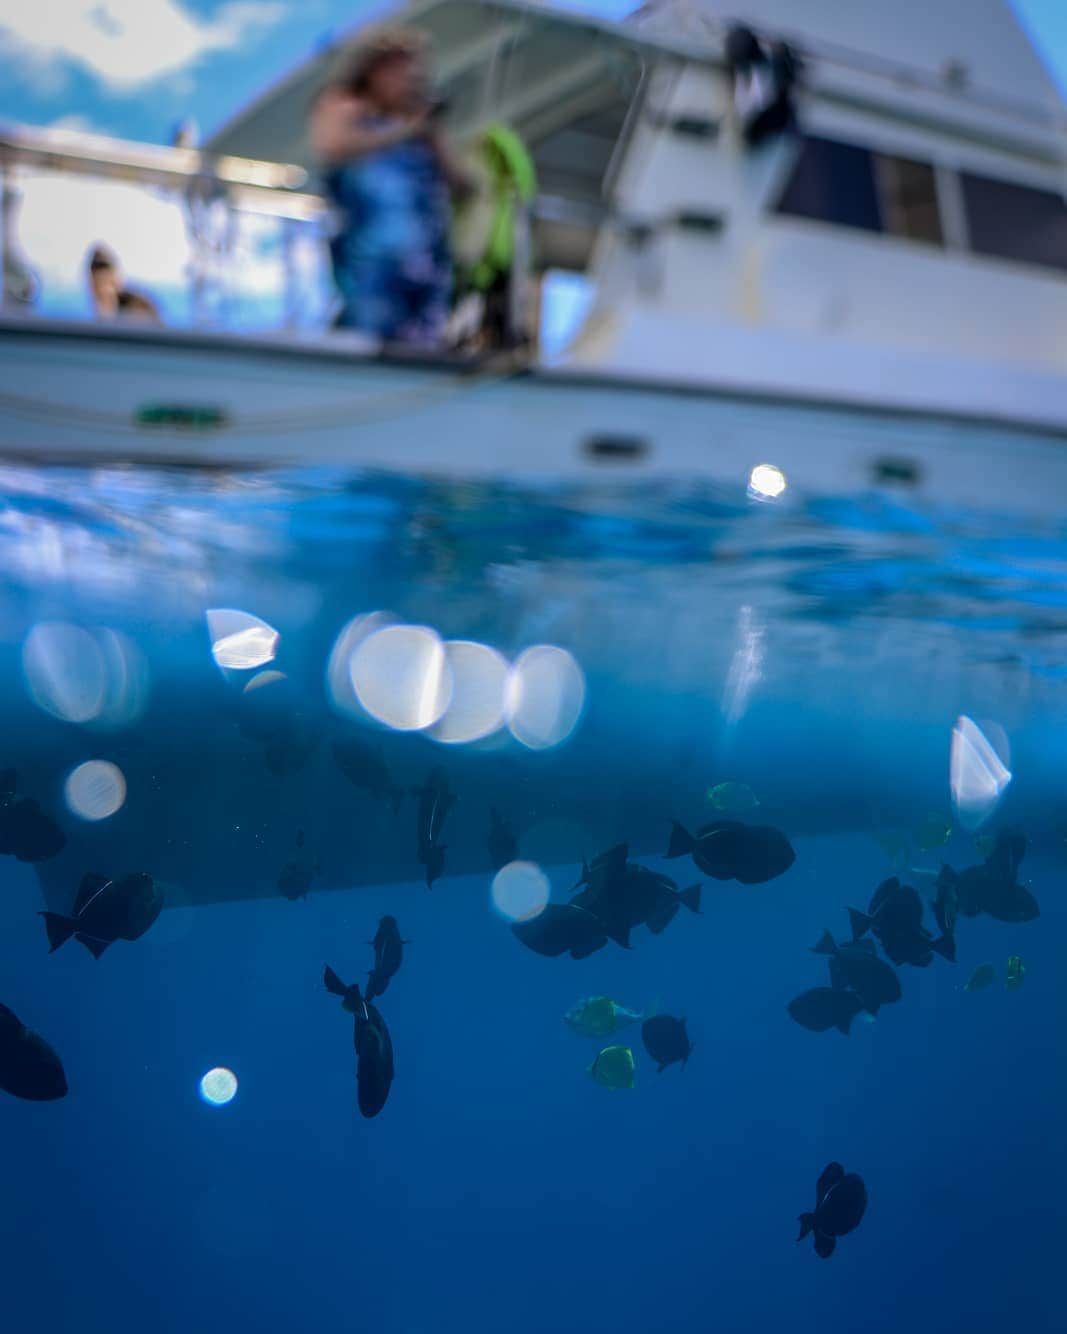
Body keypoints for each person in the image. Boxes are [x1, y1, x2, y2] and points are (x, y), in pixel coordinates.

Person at [308, 26, 473, 345]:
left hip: (426, 268)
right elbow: (332, 145)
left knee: (421, 350)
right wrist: (404, 130)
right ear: (375, 71)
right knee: (365, 344)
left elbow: (463, 187)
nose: (411, 84)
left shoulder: (419, 129)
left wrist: (433, 136)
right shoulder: (346, 106)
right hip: (369, 267)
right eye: (402, 74)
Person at [86, 246, 160, 322]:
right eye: (98, 284)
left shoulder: (138, 308)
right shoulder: (89, 310)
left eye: (107, 283)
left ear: (117, 281)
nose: (103, 290)